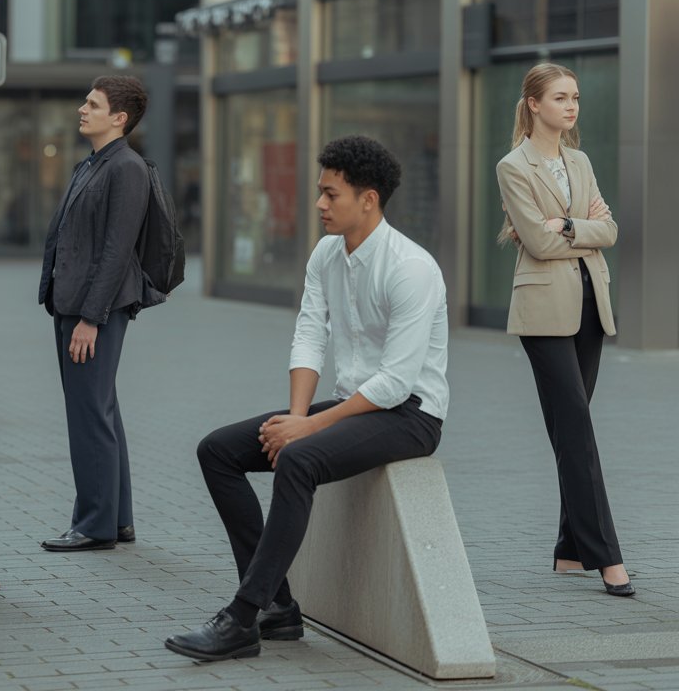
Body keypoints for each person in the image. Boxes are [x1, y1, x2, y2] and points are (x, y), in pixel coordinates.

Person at [165, 136, 449, 661]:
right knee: (218, 451)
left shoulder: (412, 268)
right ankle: (278, 607)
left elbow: (396, 381)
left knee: (297, 459)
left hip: (410, 415)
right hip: (354, 404)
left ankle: (242, 618)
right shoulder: (327, 253)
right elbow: (309, 334)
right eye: (320, 192)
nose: (319, 204)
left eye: (330, 194)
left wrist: (309, 430)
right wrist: (295, 416)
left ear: (368, 199)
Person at [495, 63, 632, 597]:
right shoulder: (514, 166)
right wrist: (580, 229)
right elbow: (537, 241)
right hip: (544, 314)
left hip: (590, 306)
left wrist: (570, 226)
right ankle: (607, 558)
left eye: (575, 97)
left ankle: (569, 551)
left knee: (569, 429)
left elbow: (611, 230)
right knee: (577, 430)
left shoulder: (580, 160)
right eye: (560, 97)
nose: (571, 106)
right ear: (534, 104)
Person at [37, 75, 156, 552]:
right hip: (73, 304)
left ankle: (93, 525)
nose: (82, 109)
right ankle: (117, 518)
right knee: (100, 408)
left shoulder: (125, 168)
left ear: (119, 118)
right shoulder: (94, 163)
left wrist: (91, 318)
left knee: (89, 414)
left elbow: (116, 250)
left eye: (93, 104)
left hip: (93, 311)